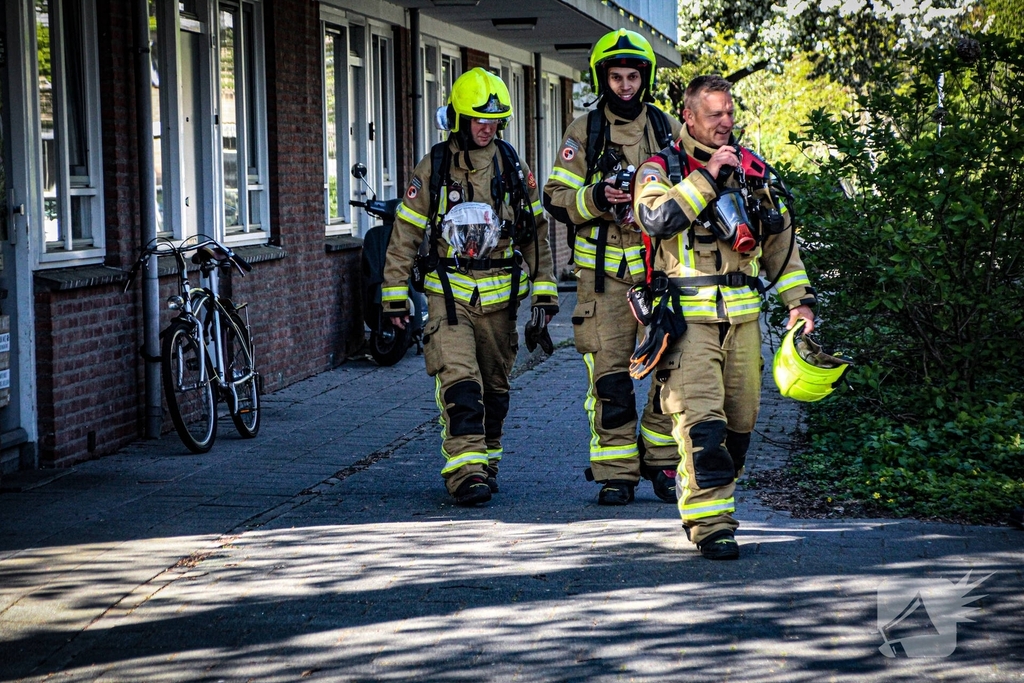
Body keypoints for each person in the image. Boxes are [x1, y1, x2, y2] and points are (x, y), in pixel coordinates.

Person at [632, 74, 817, 559]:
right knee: (703, 426)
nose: (725, 123)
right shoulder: (659, 168)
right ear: (688, 117)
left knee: (739, 425)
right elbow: (656, 219)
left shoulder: (752, 170)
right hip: (687, 325)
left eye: (729, 113)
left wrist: (799, 301)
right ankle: (711, 524)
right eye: (714, 115)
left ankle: (703, 489)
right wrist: (708, 176)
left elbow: (781, 245)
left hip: (744, 322)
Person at [382, 68, 558, 506]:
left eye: (495, 120)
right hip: (449, 293)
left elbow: (534, 230)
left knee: (495, 391)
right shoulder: (436, 165)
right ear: (459, 118)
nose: (487, 128)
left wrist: (545, 288)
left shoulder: (512, 164)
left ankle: (487, 462)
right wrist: (393, 294)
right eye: (479, 119)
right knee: (460, 384)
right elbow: (405, 232)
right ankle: (465, 473)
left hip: (500, 296)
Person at [542, 29, 682, 506]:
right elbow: (555, 199)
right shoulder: (584, 131)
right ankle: (617, 472)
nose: (625, 85)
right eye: (617, 77)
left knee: (671, 373)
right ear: (604, 79)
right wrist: (597, 197)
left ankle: (662, 465)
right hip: (603, 285)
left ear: (646, 78)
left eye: (633, 76)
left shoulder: (665, 129)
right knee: (611, 378)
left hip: (661, 272)